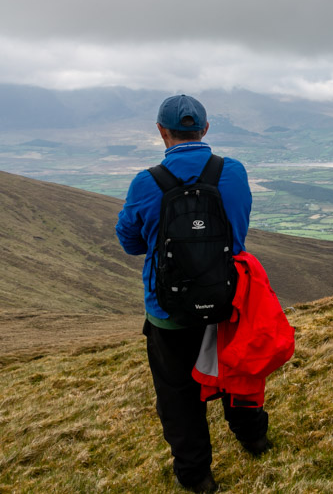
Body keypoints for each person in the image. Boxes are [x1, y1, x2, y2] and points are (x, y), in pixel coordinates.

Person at [116, 95, 268, 493]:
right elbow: (239, 229)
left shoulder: (146, 182)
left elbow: (130, 241)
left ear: (161, 131)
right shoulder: (232, 172)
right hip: (226, 302)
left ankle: (196, 476)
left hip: (168, 311)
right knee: (236, 370)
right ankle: (254, 438)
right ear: (205, 129)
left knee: (178, 395)